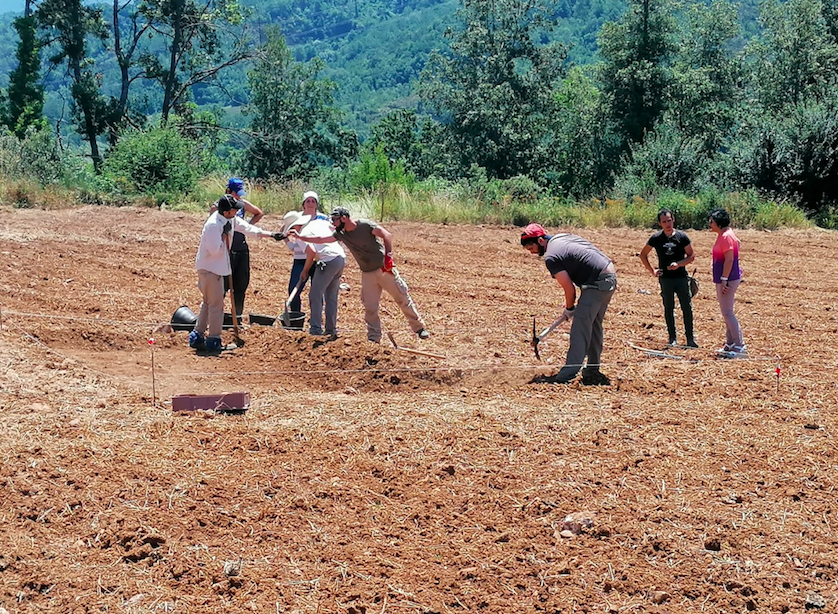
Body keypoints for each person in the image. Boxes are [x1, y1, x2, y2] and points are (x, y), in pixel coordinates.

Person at [291, 207, 429, 342]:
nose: (333, 223)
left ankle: (419, 328)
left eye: (335, 219)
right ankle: (374, 337)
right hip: (367, 273)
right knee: (370, 308)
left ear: (344, 218)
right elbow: (321, 239)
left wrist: (389, 257)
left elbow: (387, 235)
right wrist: (301, 237)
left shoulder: (365, 225)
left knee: (402, 298)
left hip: (383, 269)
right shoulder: (341, 233)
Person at [521, 224, 617, 384]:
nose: (531, 252)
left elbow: (569, 288)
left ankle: (567, 374)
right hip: (608, 275)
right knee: (593, 325)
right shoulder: (560, 237)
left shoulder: (551, 257)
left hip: (597, 283)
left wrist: (569, 308)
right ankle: (592, 370)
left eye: (531, 247)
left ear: (540, 240)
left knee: (580, 327)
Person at [189, 195, 283, 352]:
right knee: (216, 306)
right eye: (235, 209)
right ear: (226, 212)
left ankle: (197, 336)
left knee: (208, 303)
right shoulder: (213, 225)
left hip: (216, 269)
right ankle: (214, 339)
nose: (237, 211)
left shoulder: (229, 220)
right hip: (210, 270)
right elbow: (215, 251)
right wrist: (224, 236)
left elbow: (247, 228)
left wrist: (271, 235)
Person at [639, 208, 698, 347]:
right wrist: (652, 270)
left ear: (673, 220)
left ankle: (690, 338)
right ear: (660, 223)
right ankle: (672, 338)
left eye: (669, 220)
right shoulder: (656, 238)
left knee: (687, 308)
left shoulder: (682, 237)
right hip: (666, 279)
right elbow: (643, 255)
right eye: (664, 221)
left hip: (681, 278)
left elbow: (691, 256)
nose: (668, 224)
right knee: (668, 308)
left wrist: (678, 264)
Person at [208, 177, 264, 321]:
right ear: (228, 191)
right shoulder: (218, 207)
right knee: (223, 285)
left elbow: (259, 212)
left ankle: (237, 317)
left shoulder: (242, 204)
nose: (238, 196)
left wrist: (246, 227)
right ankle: (217, 317)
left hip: (241, 249)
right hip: (226, 251)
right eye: (236, 193)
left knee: (241, 284)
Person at [296, 215, 347, 337]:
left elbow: (311, 252)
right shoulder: (320, 222)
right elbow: (337, 233)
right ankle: (330, 329)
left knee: (315, 294)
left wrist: (305, 270)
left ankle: (315, 329)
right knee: (331, 296)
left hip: (328, 260)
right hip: (340, 258)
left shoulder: (302, 234)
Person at [283, 191, 330, 313]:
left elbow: (331, 234)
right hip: (300, 259)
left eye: (313, 201)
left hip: (318, 259)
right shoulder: (297, 218)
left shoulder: (323, 218)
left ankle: (316, 317)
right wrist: (291, 245)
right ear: (303, 204)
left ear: (317, 204)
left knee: (317, 291)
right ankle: (295, 316)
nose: (310, 203)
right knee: (293, 289)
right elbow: (283, 230)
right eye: (308, 201)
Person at [709, 208, 746, 357]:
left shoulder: (725, 237)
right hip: (726, 278)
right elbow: (737, 244)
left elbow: (729, 259)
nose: (709, 223)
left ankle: (739, 346)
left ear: (718, 222)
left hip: (728, 279)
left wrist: (724, 279)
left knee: (728, 312)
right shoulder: (727, 235)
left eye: (711, 221)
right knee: (726, 312)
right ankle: (730, 344)